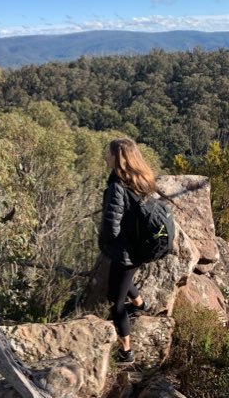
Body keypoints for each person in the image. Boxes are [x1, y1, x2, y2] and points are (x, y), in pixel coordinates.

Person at [98, 138, 154, 364]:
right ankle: (141, 305)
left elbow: (111, 226)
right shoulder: (142, 181)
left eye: (108, 152)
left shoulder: (117, 186)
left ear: (117, 157)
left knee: (116, 303)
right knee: (125, 279)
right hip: (140, 248)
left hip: (125, 252)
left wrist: (104, 243)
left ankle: (126, 353)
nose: (106, 156)